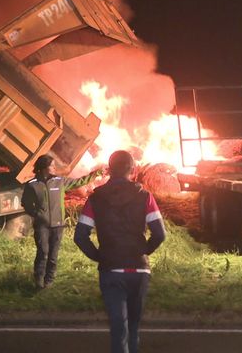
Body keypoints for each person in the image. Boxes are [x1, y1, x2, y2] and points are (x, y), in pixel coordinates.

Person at [74, 150, 166, 353]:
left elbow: (80, 236)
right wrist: (143, 251)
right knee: (133, 329)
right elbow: (160, 234)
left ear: (109, 170)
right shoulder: (145, 196)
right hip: (139, 271)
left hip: (111, 270)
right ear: (133, 170)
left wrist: (100, 256)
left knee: (118, 329)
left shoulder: (95, 199)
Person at [21, 154, 100, 289]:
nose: (54, 168)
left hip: (58, 225)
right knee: (43, 252)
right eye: (52, 165)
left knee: (53, 255)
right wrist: (37, 215)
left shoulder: (60, 181)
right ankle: (38, 280)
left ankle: (49, 281)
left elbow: (78, 182)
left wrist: (95, 174)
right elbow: (26, 203)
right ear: (44, 168)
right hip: (42, 226)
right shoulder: (32, 185)